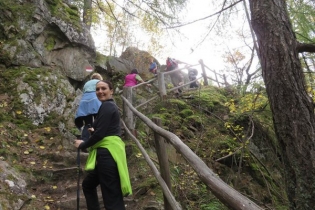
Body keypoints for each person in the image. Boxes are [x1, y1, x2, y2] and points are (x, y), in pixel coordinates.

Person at [74, 80, 132, 210]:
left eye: (103, 88)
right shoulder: (107, 106)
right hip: (107, 154)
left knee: (112, 197)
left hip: (107, 155)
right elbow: (105, 129)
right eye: (98, 89)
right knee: (88, 185)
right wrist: (95, 130)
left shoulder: (107, 106)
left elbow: (100, 135)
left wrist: (83, 144)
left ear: (111, 91)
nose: (100, 91)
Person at [75, 73, 103, 142]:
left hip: (84, 102)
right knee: (98, 120)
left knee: (88, 124)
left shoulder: (86, 83)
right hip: (95, 100)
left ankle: (84, 141)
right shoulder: (99, 82)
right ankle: (98, 139)